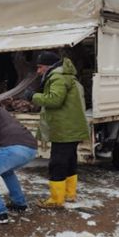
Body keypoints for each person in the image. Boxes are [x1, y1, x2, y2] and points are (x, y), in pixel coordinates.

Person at [23, 51, 89, 209]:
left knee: (57, 163)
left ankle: (56, 199)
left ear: (48, 66)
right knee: (70, 161)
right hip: (71, 127)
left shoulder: (57, 77)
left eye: (40, 67)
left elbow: (54, 100)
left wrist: (33, 96)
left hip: (64, 129)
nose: (38, 71)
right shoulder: (67, 75)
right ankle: (69, 194)